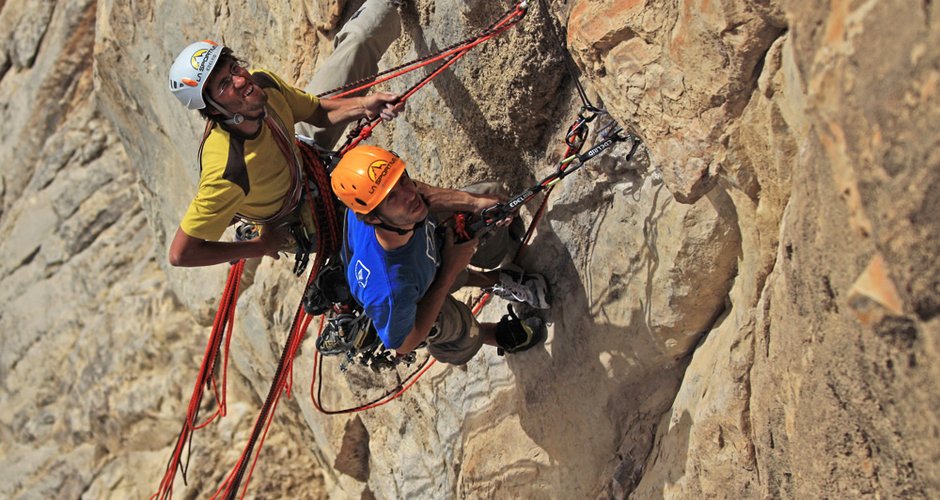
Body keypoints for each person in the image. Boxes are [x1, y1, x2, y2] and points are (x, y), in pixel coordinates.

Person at [166, 0, 404, 267]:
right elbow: (181, 254)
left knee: (359, 39)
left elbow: (318, 112)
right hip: (298, 217)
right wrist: (260, 246)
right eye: (224, 85)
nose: (241, 80)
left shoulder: (263, 85)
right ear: (214, 110)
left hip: (299, 148)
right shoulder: (228, 170)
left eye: (234, 68)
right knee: (398, 206)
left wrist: (363, 106)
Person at [331, 145, 551, 365]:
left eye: (403, 179)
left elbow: (418, 191)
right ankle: (495, 335)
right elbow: (404, 344)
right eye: (392, 197)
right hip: (410, 299)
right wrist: (449, 272)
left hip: (420, 260)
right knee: (458, 328)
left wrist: (474, 203)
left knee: (486, 195)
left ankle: (496, 279)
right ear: (372, 219)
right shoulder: (389, 289)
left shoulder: (380, 202)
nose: (409, 194)